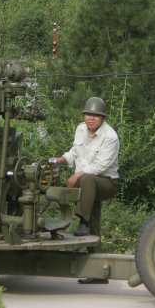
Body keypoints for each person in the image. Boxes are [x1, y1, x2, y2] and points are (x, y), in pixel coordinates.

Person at [50, 96, 119, 284]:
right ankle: (98, 271)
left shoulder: (110, 137)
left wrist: (76, 176)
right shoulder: (81, 129)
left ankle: (82, 221)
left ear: (103, 118)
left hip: (107, 183)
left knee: (87, 178)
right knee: (94, 223)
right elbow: (74, 152)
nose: (91, 118)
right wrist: (59, 160)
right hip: (88, 184)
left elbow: (100, 167)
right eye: (88, 114)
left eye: (96, 115)